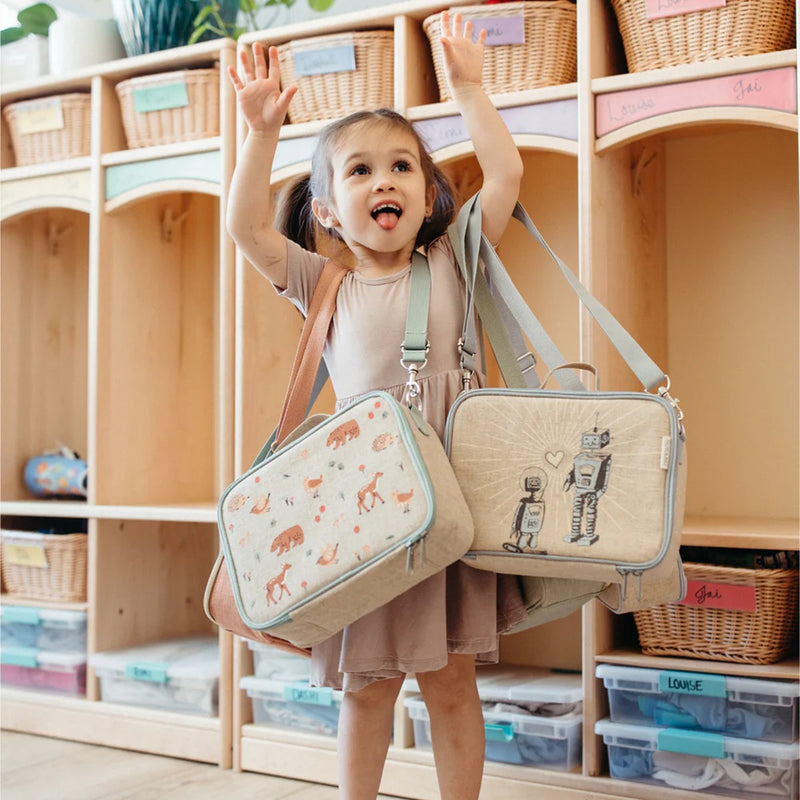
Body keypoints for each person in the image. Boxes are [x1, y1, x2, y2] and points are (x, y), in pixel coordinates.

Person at [226, 12, 525, 799]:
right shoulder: (322, 284)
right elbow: (247, 227)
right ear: (327, 211)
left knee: (453, 684)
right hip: (367, 521)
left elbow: (505, 178)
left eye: (400, 168)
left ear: (427, 197)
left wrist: (467, 88)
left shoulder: (456, 257)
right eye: (358, 172)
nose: (382, 181)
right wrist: (261, 133)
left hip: (451, 510)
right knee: (366, 688)